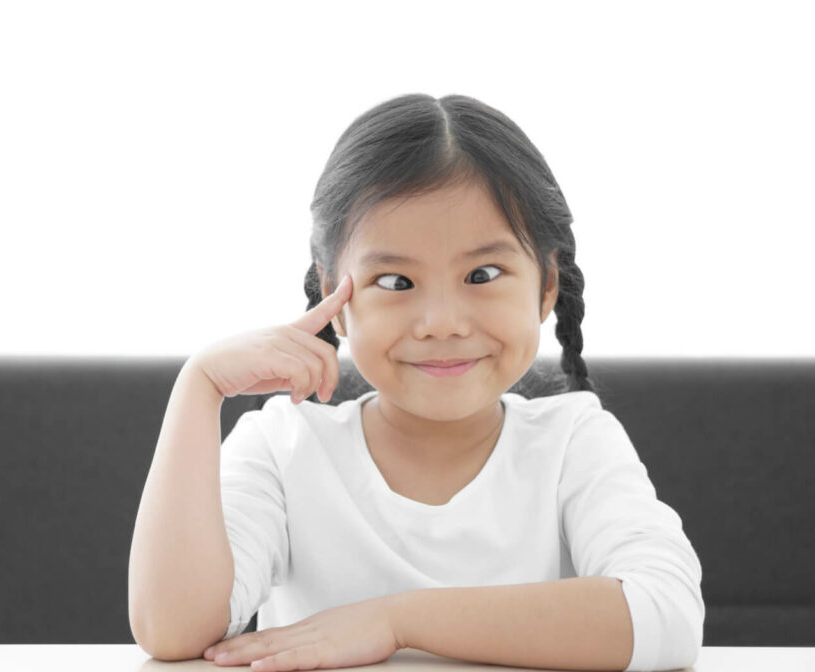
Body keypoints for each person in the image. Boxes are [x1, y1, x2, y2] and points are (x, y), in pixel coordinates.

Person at [128, 93, 704, 672]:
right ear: (337, 297)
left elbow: (667, 614)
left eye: (483, 274)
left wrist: (395, 621)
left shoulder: (574, 439)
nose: (442, 324)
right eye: (396, 281)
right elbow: (171, 629)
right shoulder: (283, 447)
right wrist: (197, 388)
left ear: (546, 287)